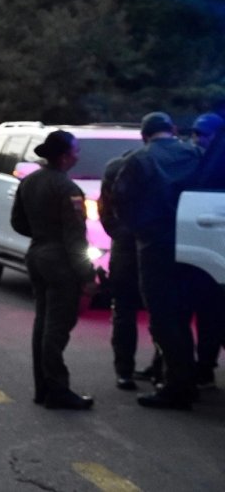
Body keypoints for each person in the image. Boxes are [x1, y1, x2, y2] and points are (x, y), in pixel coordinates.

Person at [113, 111, 203, 409]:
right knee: (185, 314)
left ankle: (178, 387)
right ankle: (188, 379)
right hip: (196, 243)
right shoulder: (197, 154)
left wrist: (140, 231)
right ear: (173, 129)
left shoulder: (138, 160)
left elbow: (121, 201)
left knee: (164, 318)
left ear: (144, 134)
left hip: (155, 246)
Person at [11, 130, 96, 410]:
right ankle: (58, 389)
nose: (78, 155)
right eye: (76, 150)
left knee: (43, 322)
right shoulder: (67, 189)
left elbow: (17, 223)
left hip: (36, 254)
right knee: (57, 327)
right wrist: (87, 275)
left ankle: (43, 388)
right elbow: (75, 238)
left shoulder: (30, 182)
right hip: (59, 261)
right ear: (64, 156)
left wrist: (40, 234)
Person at [98, 151, 145, 391]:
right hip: (155, 247)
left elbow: (104, 209)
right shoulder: (162, 165)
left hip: (124, 248)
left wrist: (119, 233)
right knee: (164, 312)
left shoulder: (116, 167)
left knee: (124, 312)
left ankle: (124, 371)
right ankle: (162, 369)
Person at [186, 112, 225, 389]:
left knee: (211, 313)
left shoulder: (211, 163)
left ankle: (203, 367)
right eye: (196, 134)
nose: (199, 140)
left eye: (205, 135)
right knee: (209, 313)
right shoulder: (195, 160)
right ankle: (204, 367)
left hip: (212, 252)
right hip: (210, 253)